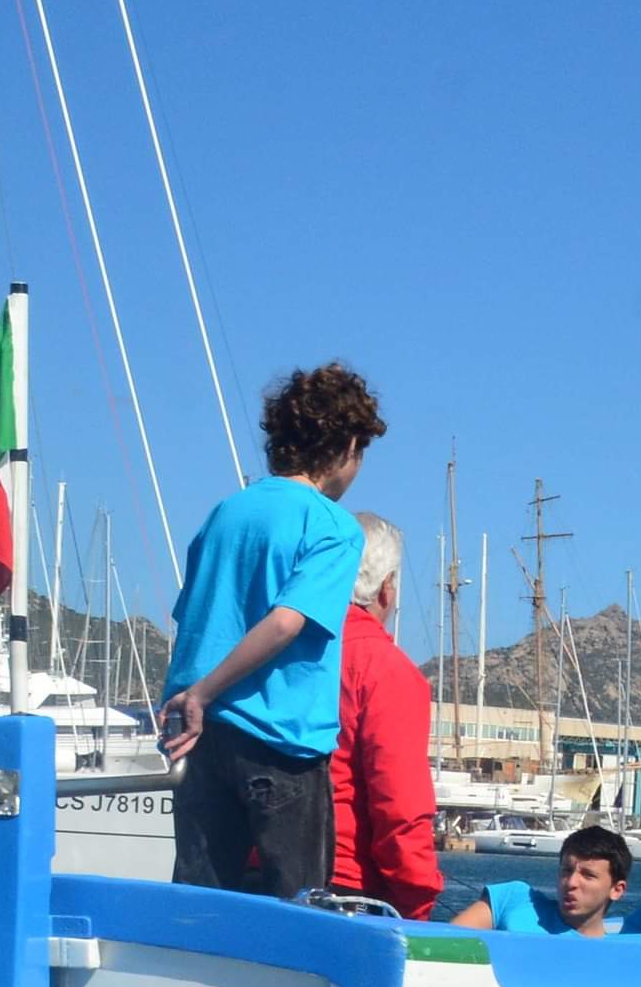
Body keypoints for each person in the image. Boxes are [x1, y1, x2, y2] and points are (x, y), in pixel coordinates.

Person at [158, 363, 382, 897]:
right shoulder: (332, 526)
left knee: (198, 900)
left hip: (201, 738)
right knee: (300, 908)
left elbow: (193, 613)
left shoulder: (224, 513)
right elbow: (285, 621)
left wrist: (196, 698)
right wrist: (206, 692)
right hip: (279, 742)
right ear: (348, 444)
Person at [326, 513, 443, 917]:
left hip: (254, 870)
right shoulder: (385, 671)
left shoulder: (270, 651)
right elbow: (401, 808)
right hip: (346, 888)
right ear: (387, 587)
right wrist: (416, 907)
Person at [451, 823, 633, 937]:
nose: (571, 883)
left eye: (588, 875)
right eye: (566, 871)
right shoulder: (515, 899)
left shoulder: (612, 954)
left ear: (617, 890)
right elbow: (447, 942)